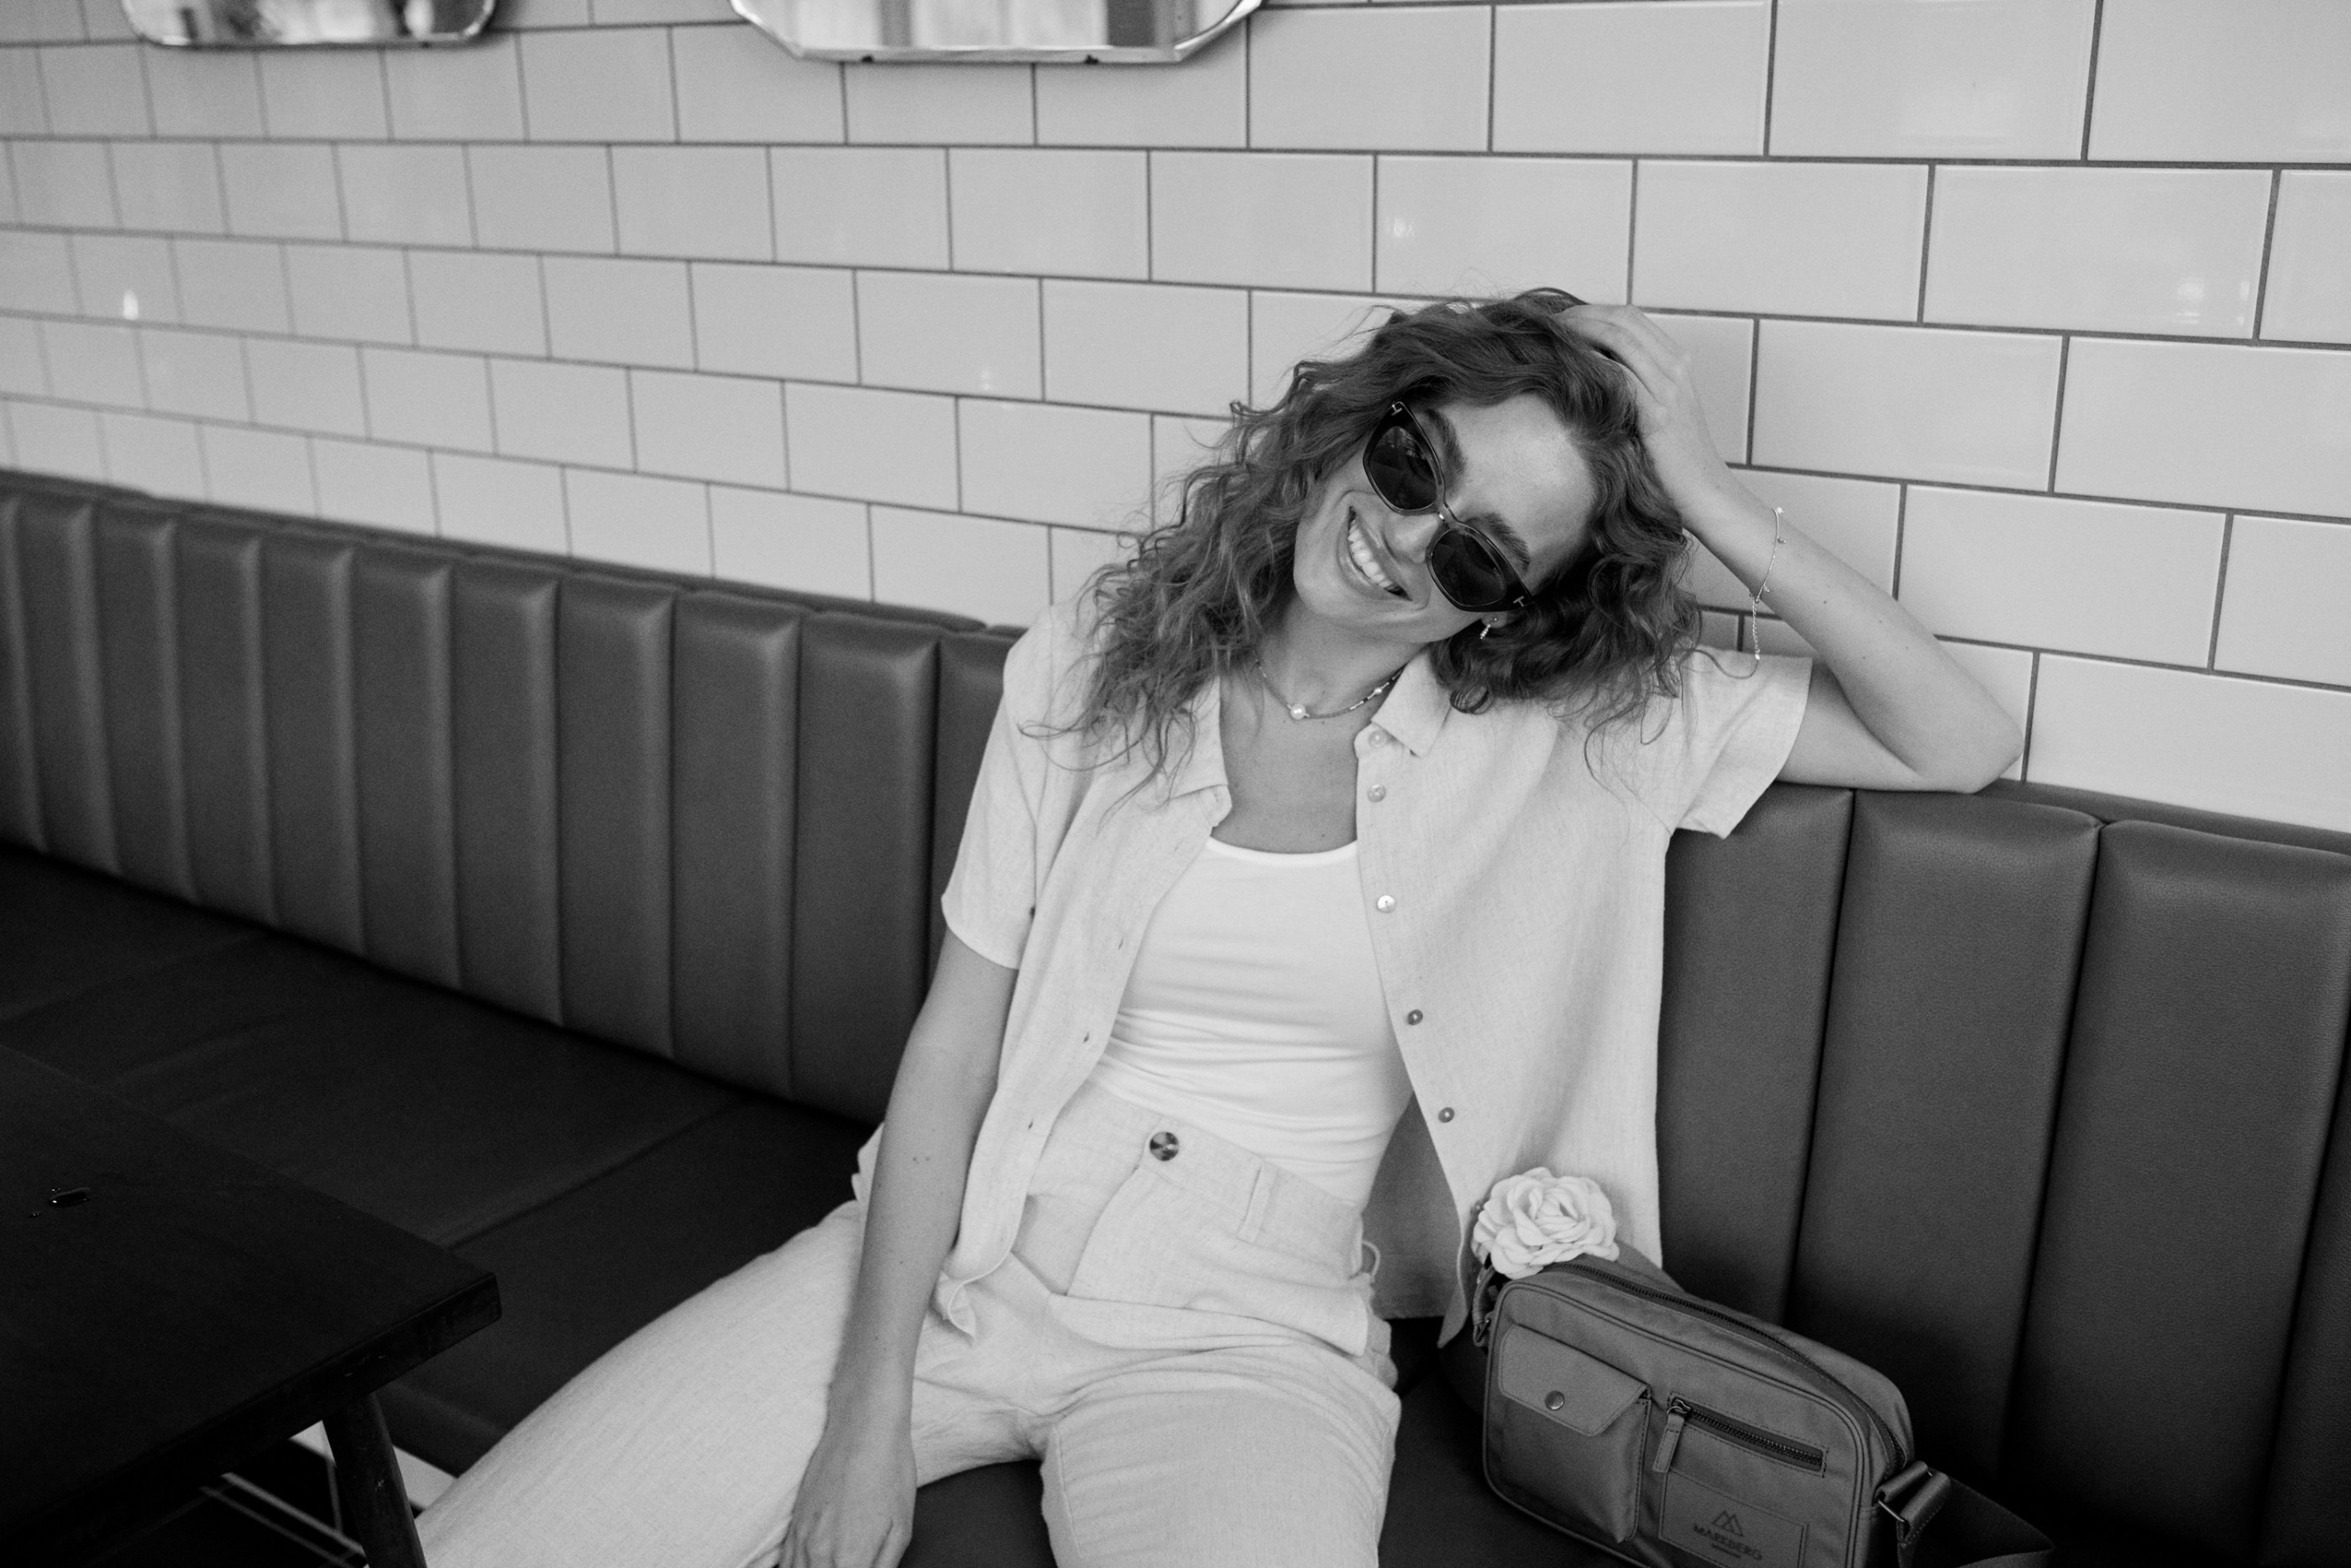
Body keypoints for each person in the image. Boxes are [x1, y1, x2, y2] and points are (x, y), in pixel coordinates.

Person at [416, 292, 2020, 1568]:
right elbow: (955, 1045)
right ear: (1356, 426)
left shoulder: (1579, 732)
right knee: (490, 1548)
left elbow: (1954, 737)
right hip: (981, 1244)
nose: (1408, 535)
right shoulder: (1096, 660)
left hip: (1258, 1333)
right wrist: (864, 1414)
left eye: (1475, 548)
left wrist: (1708, 500)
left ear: (1506, 606)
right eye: (1414, 464)